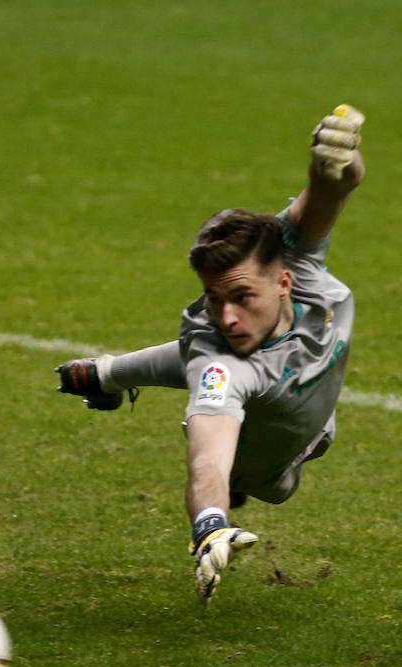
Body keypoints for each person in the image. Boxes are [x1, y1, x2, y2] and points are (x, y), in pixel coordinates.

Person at [55, 104, 366, 602]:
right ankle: (110, 374)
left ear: (284, 281)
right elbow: (207, 459)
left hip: (294, 398)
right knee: (218, 368)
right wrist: (211, 526)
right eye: (214, 298)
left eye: (242, 297)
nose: (227, 316)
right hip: (262, 463)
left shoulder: (297, 258)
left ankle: (105, 374)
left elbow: (332, 188)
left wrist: (334, 156)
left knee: (215, 355)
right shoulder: (218, 364)